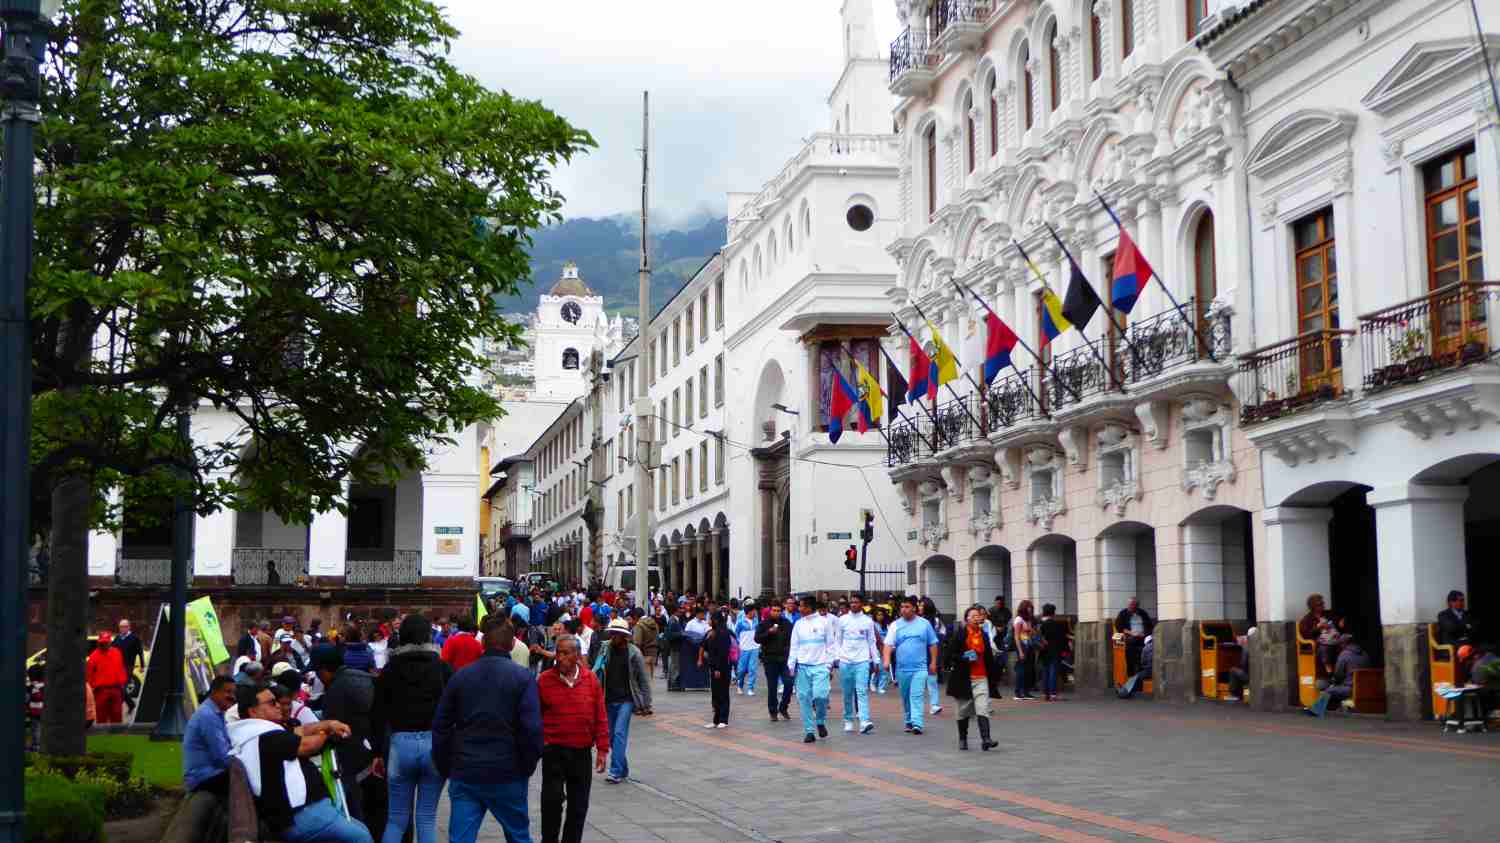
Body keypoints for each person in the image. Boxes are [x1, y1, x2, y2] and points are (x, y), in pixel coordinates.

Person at [433, 616, 542, 843]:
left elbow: (441, 725)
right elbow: (531, 729)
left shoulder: (461, 676)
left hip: (466, 769)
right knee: (518, 835)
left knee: (461, 838)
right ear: (512, 643)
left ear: (483, 643)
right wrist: (527, 765)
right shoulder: (522, 678)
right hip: (508, 770)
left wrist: (446, 764)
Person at [227, 683, 370, 843]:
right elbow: (307, 745)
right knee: (361, 838)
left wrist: (328, 724)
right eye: (272, 703)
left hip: (306, 813)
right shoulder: (265, 736)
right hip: (303, 815)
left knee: (361, 830)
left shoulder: (256, 734)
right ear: (253, 711)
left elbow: (301, 730)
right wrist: (326, 733)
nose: (278, 706)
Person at [373, 614, 452, 843]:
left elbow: (377, 713)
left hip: (400, 744)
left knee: (396, 819)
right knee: (427, 818)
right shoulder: (442, 668)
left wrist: (377, 752)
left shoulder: (389, 670)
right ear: (429, 635)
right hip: (432, 744)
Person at [537, 635, 608, 843]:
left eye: (565, 653)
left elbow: (600, 716)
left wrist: (603, 749)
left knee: (578, 805)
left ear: (577, 655)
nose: (559, 657)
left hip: (581, 752)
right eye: (558, 652)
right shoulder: (544, 680)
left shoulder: (591, 680)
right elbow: (534, 716)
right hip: (553, 751)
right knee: (551, 801)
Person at [314, 643, 380, 828]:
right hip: (375, 749)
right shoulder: (361, 676)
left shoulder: (336, 689)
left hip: (354, 757)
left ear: (325, 670)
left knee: (357, 809)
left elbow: (335, 729)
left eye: (319, 672)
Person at [594, 618, 652, 783]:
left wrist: (646, 703)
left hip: (627, 700)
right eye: (612, 633)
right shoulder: (605, 649)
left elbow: (643, 680)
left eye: (616, 633)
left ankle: (615, 771)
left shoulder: (634, 653)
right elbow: (597, 668)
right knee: (612, 736)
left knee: (619, 733)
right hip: (608, 698)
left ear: (624, 635)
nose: (613, 636)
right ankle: (623, 768)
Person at [945, 605, 1001, 751]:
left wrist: (993, 676)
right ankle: (963, 739)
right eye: (974, 616)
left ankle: (986, 739)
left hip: (981, 677)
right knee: (963, 711)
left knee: (983, 708)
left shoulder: (983, 635)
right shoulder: (960, 634)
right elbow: (950, 655)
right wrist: (964, 657)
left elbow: (988, 657)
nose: (977, 618)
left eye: (979, 616)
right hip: (964, 678)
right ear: (967, 619)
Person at [883, 596, 938, 735]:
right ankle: (909, 720)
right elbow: (888, 644)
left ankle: (917, 723)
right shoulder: (895, 625)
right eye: (902, 607)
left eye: (907, 607)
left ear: (914, 608)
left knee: (916, 695)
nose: (904, 609)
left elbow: (932, 644)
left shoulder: (925, 624)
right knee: (906, 696)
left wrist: (933, 662)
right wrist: (886, 660)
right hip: (902, 669)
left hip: (920, 668)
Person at [788, 597, 836, 743]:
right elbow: (794, 646)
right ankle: (809, 730)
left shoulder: (824, 622)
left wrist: (829, 664)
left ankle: (820, 721)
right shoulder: (798, 624)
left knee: (821, 696)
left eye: (801, 606)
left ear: (809, 607)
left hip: (821, 666)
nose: (799, 609)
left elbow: (830, 645)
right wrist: (791, 664)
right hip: (803, 667)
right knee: (804, 699)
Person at [183, 675, 237, 799]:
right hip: (202, 778)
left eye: (234, 693)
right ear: (214, 692)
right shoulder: (208, 716)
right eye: (228, 692)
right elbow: (221, 758)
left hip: (209, 774)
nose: (232, 697)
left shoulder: (215, 713)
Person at [835, 594, 879, 734]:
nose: (854, 605)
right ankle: (848, 719)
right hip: (846, 661)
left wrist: (876, 659)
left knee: (862, 691)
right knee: (847, 692)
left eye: (856, 602)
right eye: (852, 602)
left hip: (862, 661)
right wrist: (837, 657)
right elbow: (837, 640)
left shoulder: (868, 621)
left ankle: (864, 721)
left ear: (862, 604)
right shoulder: (842, 620)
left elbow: (872, 641)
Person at [1305, 634, 1370, 717]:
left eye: (1340, 644)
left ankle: (1316, 711)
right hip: (1365, 687)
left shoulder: (1344, 655)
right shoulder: (1364, 654)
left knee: (1328, 690)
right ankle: (1342, 706)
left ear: (1343, 644)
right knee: (1335, 688)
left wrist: (1332, 681)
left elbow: (1338, 676)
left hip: (1350, 688)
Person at [755, 602, 794, 722]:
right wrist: (768, 633)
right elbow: (757, 638)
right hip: (770, 659)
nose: (776, 613)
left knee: (789, 683)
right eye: (774, 610)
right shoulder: (764, 623)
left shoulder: (787, 624)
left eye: (778, 611)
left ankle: (783, 707)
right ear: (770, 611)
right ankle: (773, 711)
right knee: (772, 687)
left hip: (784, 659)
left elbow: (792, 640)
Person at [86, 631, 128, 724]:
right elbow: (89, 676)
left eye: (106, 642)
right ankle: (102, 735)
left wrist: (123, 682)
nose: (104, 644)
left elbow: (121, 668)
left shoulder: (117, 652)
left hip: (116, 689)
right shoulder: (93, 657)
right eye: (102, 642)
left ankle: (116, 736)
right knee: (101, 716)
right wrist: (92, 690)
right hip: (101, 691)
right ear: (99, 642)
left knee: (117, 715)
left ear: (110, 642)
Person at [700, 611, 733, 728]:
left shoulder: (723, 633)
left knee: (723, 692)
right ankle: (716, 719)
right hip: (713, 667)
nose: (708, 621)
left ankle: (723, 719)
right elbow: (705, 646)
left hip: (722, 668)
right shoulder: (711, 633)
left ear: (716, 620)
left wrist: (718, 668)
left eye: (711, 619)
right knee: (715, 693)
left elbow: (723, 652)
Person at [1037, 603, 1070, 702]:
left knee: (1045, 672)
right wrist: (1066, 650)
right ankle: (1053, 694)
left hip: (1044, 651)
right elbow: (1063, 639)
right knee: (1053, 672)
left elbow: (1038, 637)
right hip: (1055, 651)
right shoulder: (1058, 625)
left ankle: (1044, 694)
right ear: (1053, 613)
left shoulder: (1041, 625)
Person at [1114, 597, 1153, 678]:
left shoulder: (1142, 613)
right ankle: (1131, 676)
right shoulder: (1123, 613)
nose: (1131, 607)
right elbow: (1119, 626)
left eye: (1133, 605)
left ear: (1137, 605)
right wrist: (1131, 633)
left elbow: (1149, 626)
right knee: (1130, 655)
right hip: (1130, 638)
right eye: (1130, 605)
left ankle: (1143, 674)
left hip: (1143, 638)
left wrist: (1144, 633)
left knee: (1146, 653)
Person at [1011, 600, 1038, 701]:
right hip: (1022, 646)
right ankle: (1018, 692)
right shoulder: (1018, 619)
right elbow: (1016, 636)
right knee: (1021, 670)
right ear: (1023, 608)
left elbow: (1032, 633)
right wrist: (1020, 651)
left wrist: (1032, 630)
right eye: (1028, 607)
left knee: (1029, 670)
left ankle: (1026, 692)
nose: (1030, 609)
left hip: (1029, 645)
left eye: (1031, 608)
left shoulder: (1028, 619)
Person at [732, 602, 759, 696]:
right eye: (753, 611)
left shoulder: (756, 621)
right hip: (744, 648)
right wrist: (739, 644)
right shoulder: (741, 622)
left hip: (755, 647)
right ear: (749, 612)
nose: (755, 612)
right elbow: (735, 634)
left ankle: (750, 688)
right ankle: (740, 686)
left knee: (753, 669)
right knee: (742, 669)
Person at [632, 607, 660, 679]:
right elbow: (657, 637)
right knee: (650, 678)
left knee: (644, 680)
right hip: (654, 653)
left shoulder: (639, 625)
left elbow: (637, 642)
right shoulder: (654, 623)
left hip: (643, 654)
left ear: (636, 616)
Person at [25, 664, 44, 752]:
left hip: (35, 712)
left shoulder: (31, 687)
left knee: (36, 729)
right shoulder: (45, 684)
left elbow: (27, 699)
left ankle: (36, 746)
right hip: (44, 711)